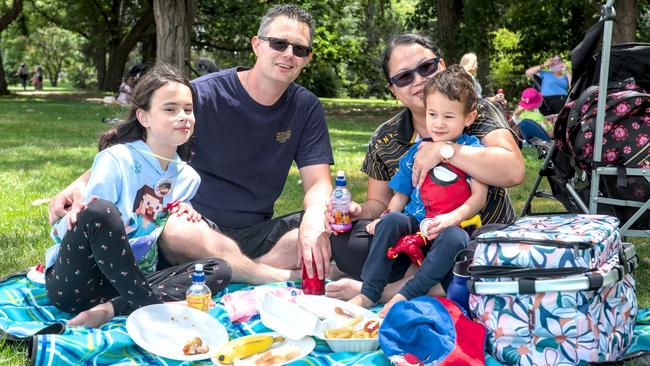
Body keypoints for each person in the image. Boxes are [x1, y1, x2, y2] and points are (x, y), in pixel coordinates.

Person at [48, 4, 333, 286]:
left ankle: (233, 268)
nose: (288, 55)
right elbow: (137, 147)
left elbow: (319, 182)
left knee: (339, 228)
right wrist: (81, 183)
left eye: (300, 49)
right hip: (192, 225)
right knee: (175, 232)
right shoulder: (203, 94)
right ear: (257, 45)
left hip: (259, 232)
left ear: (307, 58)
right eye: (279, 43)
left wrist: (314, 218)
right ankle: (265, 275)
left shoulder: (306, 107)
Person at [327, 33, 524, 302]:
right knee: (346, 243)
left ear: (441, 66)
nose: (418, 80)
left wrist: (445, 151)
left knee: (479, 251)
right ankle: (426, 281)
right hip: (413, 232)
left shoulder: (476, 111)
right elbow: (380, 203)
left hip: (472, 235)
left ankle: (386, 291)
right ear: (393, 90)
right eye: (404, 77)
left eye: (426, 68)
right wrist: (358, 211)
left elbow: (513, 170)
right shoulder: (386, 138)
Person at [45, 64, 232, 328]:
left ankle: (110, 310)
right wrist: (82, 215)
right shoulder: (116, 159)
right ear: (144, 117)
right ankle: (154, 309)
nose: (183, 117)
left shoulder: (188, 177)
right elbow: (87, 223)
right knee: (101, 212)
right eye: (170, 109)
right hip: (78, 284)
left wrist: (184, 210)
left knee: (219, 269)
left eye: (188, 110)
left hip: (129, 284)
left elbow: (160, 219)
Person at [349, 65, 487, 317]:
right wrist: (385, 216)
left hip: (449, 229)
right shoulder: (418, 150)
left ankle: (406, 293)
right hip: (416, 225)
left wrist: (452, 219)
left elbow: (478, 197)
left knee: (456, 238)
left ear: (468, 118)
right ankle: (369, 292)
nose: (438, 123)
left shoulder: (473, 151)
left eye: (448, 116)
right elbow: (402, 191)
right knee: (391, 221)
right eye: (433, 115)